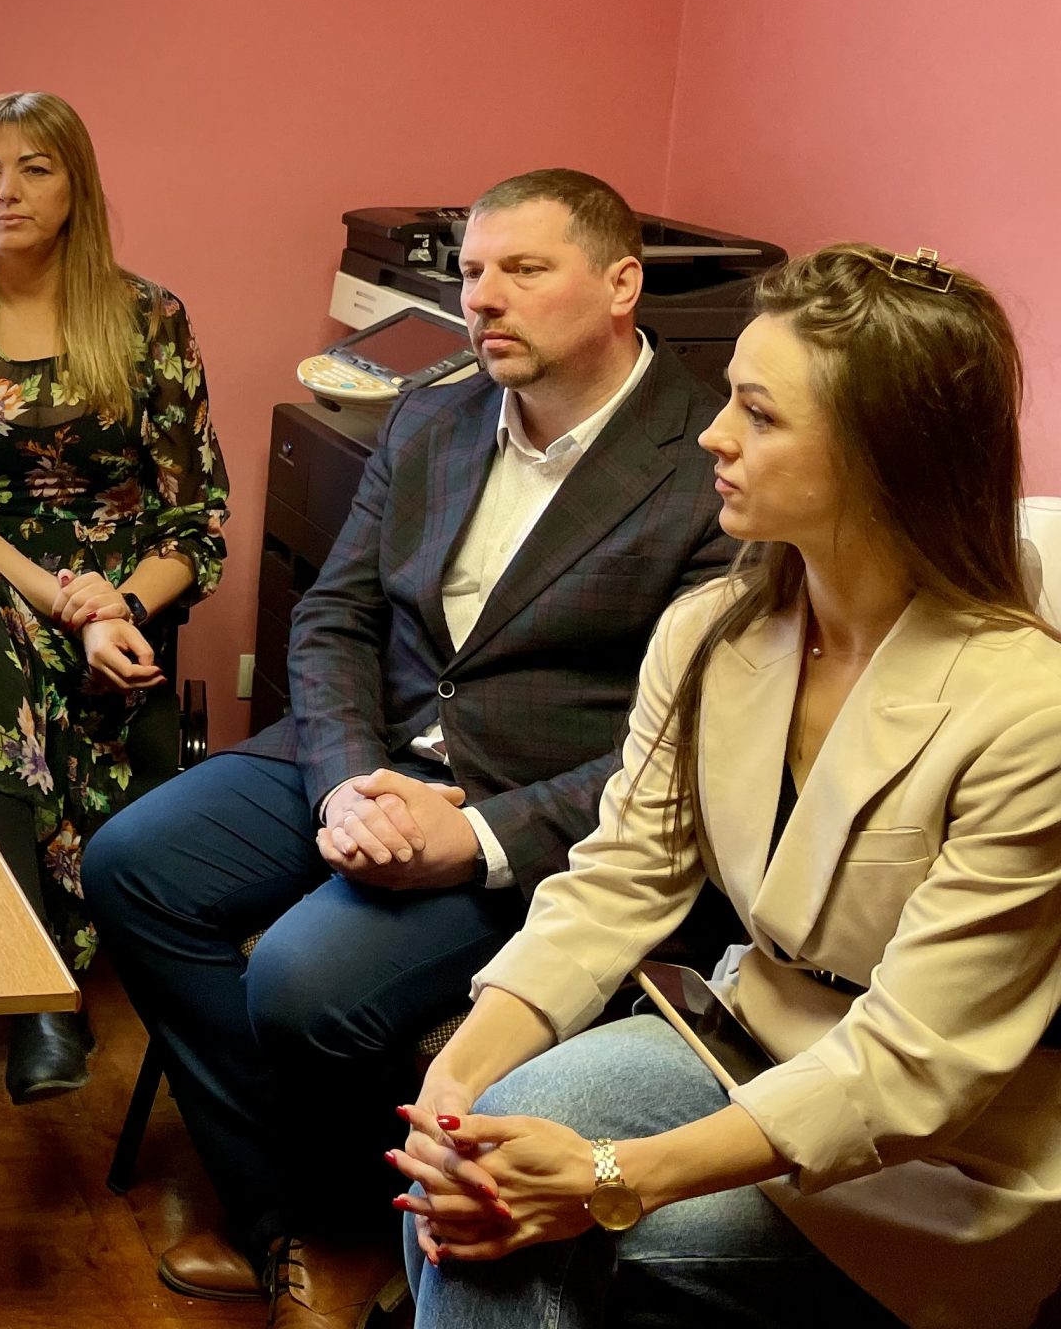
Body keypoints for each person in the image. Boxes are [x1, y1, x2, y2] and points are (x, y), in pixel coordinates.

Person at [85, 169, 733, 1327]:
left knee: (300, 981)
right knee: (133, 864)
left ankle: (322, 1223)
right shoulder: (433, 412)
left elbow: (684, 745)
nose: (483, 298)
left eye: (523, 270)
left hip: (534, 801)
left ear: (621, 284)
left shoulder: (708, 460)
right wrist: (343, 786)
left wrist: (477, 838)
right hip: (368, 746)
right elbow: (335, 615)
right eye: (472, 272)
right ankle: (291, 1211)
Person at [396, 245, 1061, 1329]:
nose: (713, 434)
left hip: (946, 1155)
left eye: (758, 413)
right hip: (745, 1039)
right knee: (467, 1171)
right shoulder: (711, 632)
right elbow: (618, 880)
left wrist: (609, 1180)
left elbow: (914, 1066)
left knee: (521, 1231)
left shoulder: (1030, 711)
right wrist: (457, 1082)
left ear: (887, 456)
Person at [0, 90, 228, 1170]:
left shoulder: (149, 319)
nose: (6, 191)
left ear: (77, 189)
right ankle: (32, 993)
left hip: (111, 612)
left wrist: (116, 609)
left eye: (34, 169)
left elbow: (194, 521)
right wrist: (65, 600)